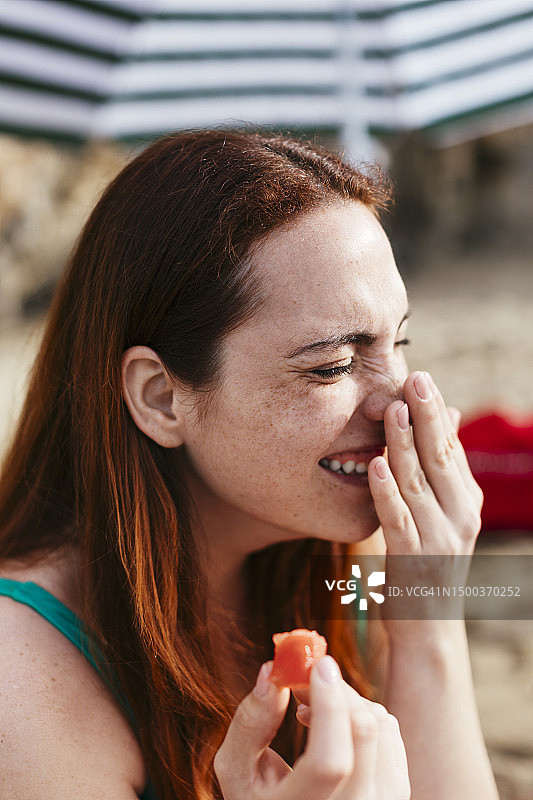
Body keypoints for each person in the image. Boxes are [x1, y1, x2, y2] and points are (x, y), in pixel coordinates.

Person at [0, 130, 498, 800]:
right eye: (331, 366)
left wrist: (427, 615)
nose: (396, 403)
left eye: (397, 341)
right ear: (160, 397)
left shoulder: (347, 562)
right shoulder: (23, 679)